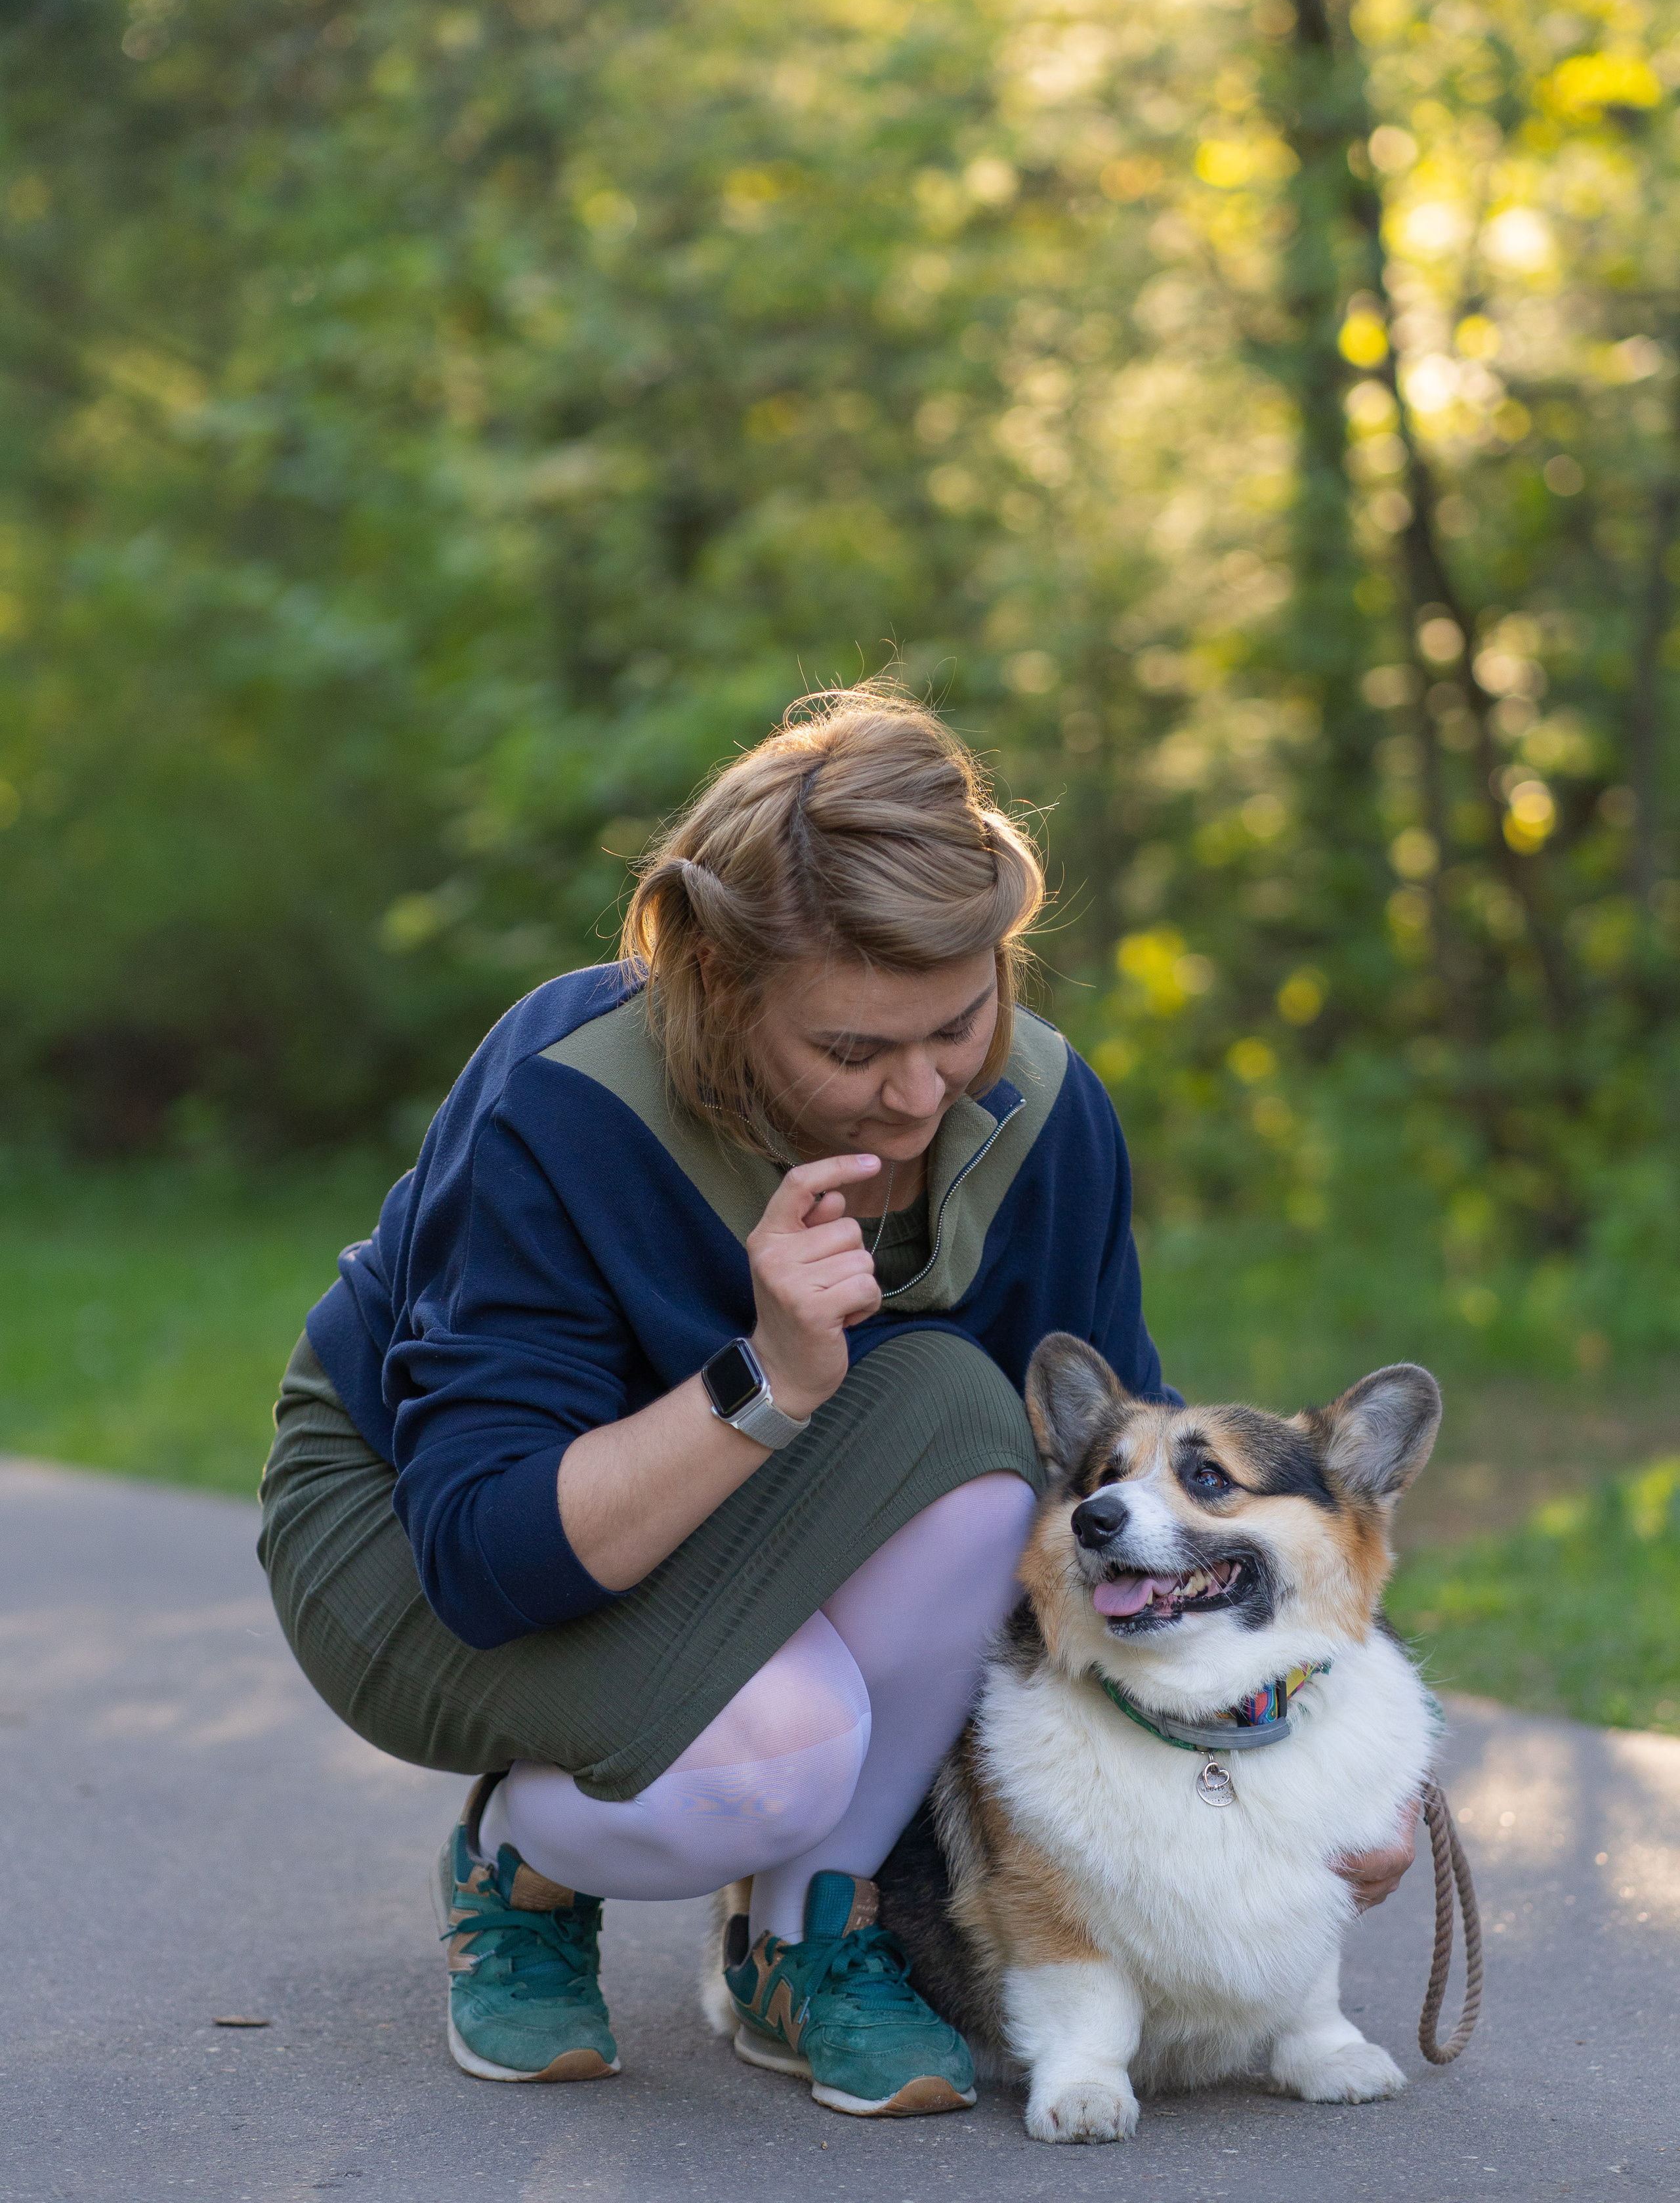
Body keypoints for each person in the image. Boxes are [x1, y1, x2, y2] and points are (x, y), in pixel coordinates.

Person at [259, 683, 1413, 2120]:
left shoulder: (1043, 1116)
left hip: (759, 1530)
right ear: (717, 993)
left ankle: (806, 1930)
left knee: (970, 1432)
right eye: (851, 1052)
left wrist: (1315, 1728)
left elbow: (1113, 1495)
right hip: (421, 1536)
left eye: (956, 1021)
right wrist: (767, 1378)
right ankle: (526, 1864)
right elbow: (488, 1559)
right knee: (768, 1755)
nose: (919, 1093)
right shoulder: (565, 1099)